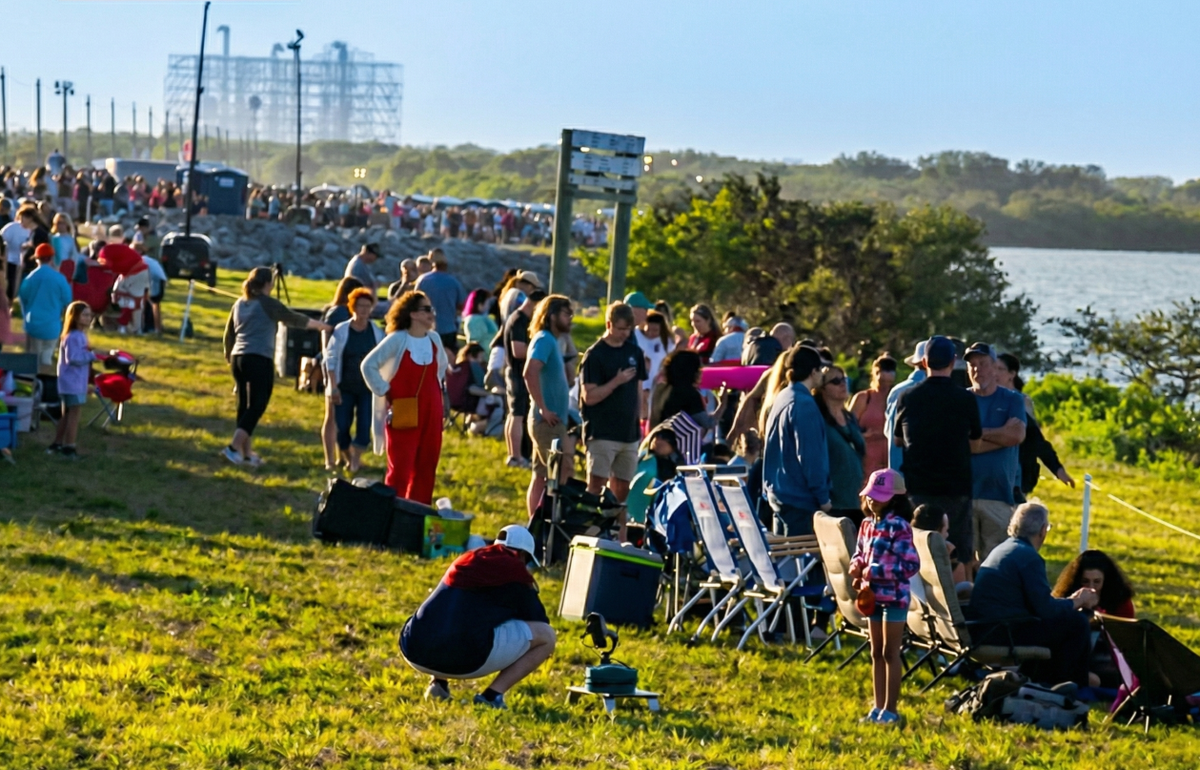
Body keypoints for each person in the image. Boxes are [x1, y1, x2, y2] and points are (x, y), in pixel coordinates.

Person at [400, 524, 555, 709]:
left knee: (444, 615)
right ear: (523, 555)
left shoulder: (466, 558)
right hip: (464, 661)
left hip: (413, 648)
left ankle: (438, 684)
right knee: (546, 636)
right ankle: (492, 696)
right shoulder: (514, 569)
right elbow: (539, 619)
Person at [970, 501, 1099, 687]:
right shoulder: (1028, 558)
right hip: (1002, 631)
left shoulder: (1003, 549)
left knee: (1062, 621)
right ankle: (1068, 683)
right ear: (1042, 531)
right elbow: (1045, 610)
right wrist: (1077, 601)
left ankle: (1044, 678)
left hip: (985, 628)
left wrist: (1069, 602)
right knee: (1076, 622)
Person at [222, 267, 332, 467]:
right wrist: (322, 326)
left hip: (238, 358)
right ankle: (233, 448)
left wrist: (229, 356)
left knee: (244, 406)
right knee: (258, 404)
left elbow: (229, 333)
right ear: (267, 284)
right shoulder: (268, 304)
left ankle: (246, 453)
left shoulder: (240, 303)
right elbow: (293, 319)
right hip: (259, 358)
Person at [893, 336, 982, 568]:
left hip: (919, 488)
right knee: (958, 554)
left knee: (919, 551)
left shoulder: (908, 397)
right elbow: (976, 440)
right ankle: (957, 599)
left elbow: (897, 440)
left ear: (924, 362)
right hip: (956, 487)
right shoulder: (965, 399)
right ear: (953, 361)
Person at [360, 291, 448, 504]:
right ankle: (391, 516)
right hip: (404, 412)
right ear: (413, 314)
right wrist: (385, 390)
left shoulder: (434, 339)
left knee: (427, 467)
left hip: (432, 411)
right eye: (426, 309)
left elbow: (441, 370)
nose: (431, 314)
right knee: (400, 468)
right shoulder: (397, 340)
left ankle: (416, 515)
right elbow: (368, 366)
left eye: (431, 309)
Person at [849, 469, 920, 725]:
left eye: (880, 496)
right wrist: (856, 565)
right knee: (875, 652)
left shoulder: (899, 527)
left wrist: (875, 571)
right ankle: (877, 708)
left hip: (894, 599)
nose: (872, 500)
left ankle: (891, 709)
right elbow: (859, 553)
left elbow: (910, 565)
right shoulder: (867, 525)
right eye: (870, 495)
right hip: (871, 597)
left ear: (895, 498)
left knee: (891, 652)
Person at [580, 302, 647, 539]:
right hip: (602, 432)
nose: (624, 334)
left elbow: (639, 389)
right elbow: (589, 396)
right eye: (620, 329)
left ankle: (619, 537)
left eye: (628, 329)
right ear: (609, 325)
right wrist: (616, 381)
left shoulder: (634, 352)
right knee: (596, 484)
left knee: (622, 489)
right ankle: (587, 532)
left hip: (628, 433)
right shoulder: (595, 355)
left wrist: (641, 419)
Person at [964, 342, 1027, 564]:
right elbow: (963, 443)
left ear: (994, 367)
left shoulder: (1012, 399)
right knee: (966, 560)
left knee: (995, 561)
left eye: (982, 363)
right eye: (972, 365)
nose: (977, 369)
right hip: (965, 494)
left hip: (999, 495)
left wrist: (977, 434)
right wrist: (1000, 435)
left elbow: (1016, 436)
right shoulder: (962, 399)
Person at [762, 345, 831, 536]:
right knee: (806, 563)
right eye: (821, 370)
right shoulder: (805, 404)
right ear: (813, 371)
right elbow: (810, 456)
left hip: (779, 496)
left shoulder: (782, 397)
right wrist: (823, 497)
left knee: (787, 563)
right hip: (800, 501)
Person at [523, 294, 574, 519]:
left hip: (552, 419)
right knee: (562, 469)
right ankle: (550, 520)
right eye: (566, 314)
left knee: (540, 474)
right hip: (548, 421)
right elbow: (529, 371)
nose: (570, 318)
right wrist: (543, 407)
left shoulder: (552, 340)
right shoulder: (544, 338)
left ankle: (536, 523)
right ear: (552, 315)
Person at [995, 352, 1075, 495]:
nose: (994, 373)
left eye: (999, 369)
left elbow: (1035, 438)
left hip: (1019, 469)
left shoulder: (1022, 401)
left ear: (1011, 374)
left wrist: (1057, 469)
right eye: (992, 368)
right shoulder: (985, 397)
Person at [324, 288, 384, 474]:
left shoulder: (376, 332)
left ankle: (355, 460)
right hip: (344, 386)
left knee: (365, 424)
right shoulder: (342, 330)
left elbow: (383, 357)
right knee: (342, 425)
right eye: (360, 306)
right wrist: (333, 386)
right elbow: (331, 359)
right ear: (353, 307)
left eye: (368, 306)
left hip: (367, 387)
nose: (364, 310)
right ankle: (347, 455)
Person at [319, 278, 364, 470]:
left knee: (341, 416)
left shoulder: (335, 311)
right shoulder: (339, 312)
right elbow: (329, 339)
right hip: (337, 366)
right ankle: (331, 459)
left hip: (344, 367)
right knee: (332, 414)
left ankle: (342, 457)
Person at [815, 365, 866, 526]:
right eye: (836, 381)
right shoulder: (818, 419)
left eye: (844, 379)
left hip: (856, 498)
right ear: (822, 388)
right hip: (833, 502)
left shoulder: (850, 417)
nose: (843, 384)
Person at [502, 290, 542, 469]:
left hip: (515, 372)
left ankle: (514, 455)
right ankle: (517, 456)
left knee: (514, 415)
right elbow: (518, 350)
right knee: (517, 415)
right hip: (517, 373)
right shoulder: (519, 320)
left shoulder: (517, 317)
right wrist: (539, 353)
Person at [18, 244, 73, 366]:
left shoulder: (30, 278)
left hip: (33, 324)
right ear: (52, 258)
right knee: (46, 359)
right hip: (52, 326)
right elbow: (67, 300)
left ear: (36, 258)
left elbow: (23, 299)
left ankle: (32, 382)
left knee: (32, 360)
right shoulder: (60, 278)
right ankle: (44, 381)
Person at [849, 354, 897, 481]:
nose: (885, 387)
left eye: (888, 383)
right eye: (882, 382)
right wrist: (862, 435)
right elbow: (848, 427)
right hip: (867, 460)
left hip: (890, 460)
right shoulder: (864, 398)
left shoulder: (897, 397)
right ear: (875, 374)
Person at [97, 225, 151, 334]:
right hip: (133, 272)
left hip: (136, 272)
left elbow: (107, 266)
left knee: (132, 302)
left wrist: (94, 263)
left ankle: (128, 326)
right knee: (123, 296)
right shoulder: (119, 247)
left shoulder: (106, 250)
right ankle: (133, 327)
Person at [1053, 550, 1135, 619]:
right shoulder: (1066, 600)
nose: (1091, 587)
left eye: (1097, 582)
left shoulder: (1120, 602)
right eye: (1085, 581)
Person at [884, 341, 927, 471]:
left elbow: (888, 431)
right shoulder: (931, 391)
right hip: (919, 473)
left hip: (896, 470)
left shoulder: (896, 390)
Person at [415, 249, 468, 354]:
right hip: (448, 329)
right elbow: (461, 305)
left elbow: (414, 302)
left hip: (425, 327)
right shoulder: (454, 282)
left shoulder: (423, 280)